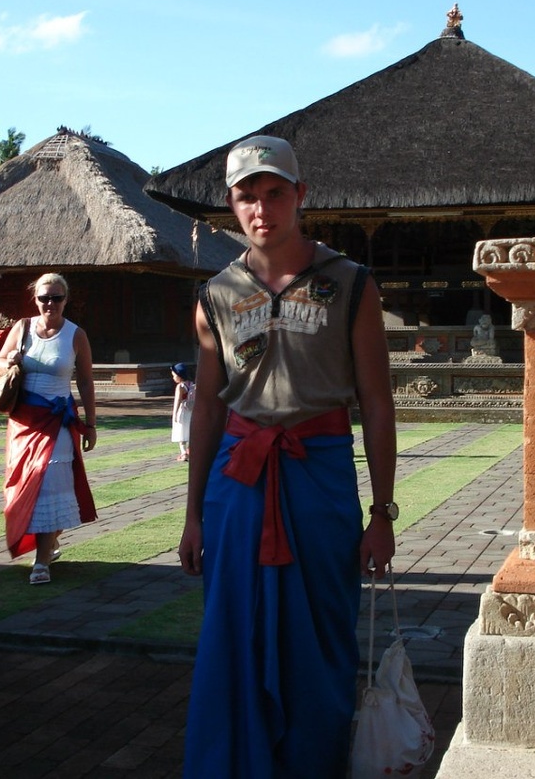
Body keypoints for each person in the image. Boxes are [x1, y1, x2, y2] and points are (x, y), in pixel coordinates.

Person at [178, 135, 397, 778]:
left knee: (320, 639)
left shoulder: (350, 284)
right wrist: (194, 514)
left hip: (318, 475)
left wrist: (382, 512)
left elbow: (378, 404)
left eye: (275, 193)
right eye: (248, 196)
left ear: (301, 196)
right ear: (231, 205)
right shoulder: (215, 294)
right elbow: (211, 407)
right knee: (234, 639)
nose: (262, 208)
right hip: (238, 484)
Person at [0, 272, 98, 585]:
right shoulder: (22, 327)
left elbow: (85, 380)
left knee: (50, 485)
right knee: (22, 486)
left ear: (66, 300)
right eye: (43, 298)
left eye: (56, 298)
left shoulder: (75, 334)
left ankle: (41, 561)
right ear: (35, 299)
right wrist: (9, 360)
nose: (49, 303)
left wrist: (91, 424)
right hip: (24, 420)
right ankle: (49, 541)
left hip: (58, 421)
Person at [171, 361, 195, 461]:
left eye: (174, 375)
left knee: (181, 432)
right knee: (189, 431)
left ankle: (183, 452)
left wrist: (175, 414)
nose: (173, 378)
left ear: (179, 376)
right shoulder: (192, 385)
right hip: (192, 410)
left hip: (183, 410)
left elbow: (177, 401)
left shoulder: (180, 387)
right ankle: (190, 450)